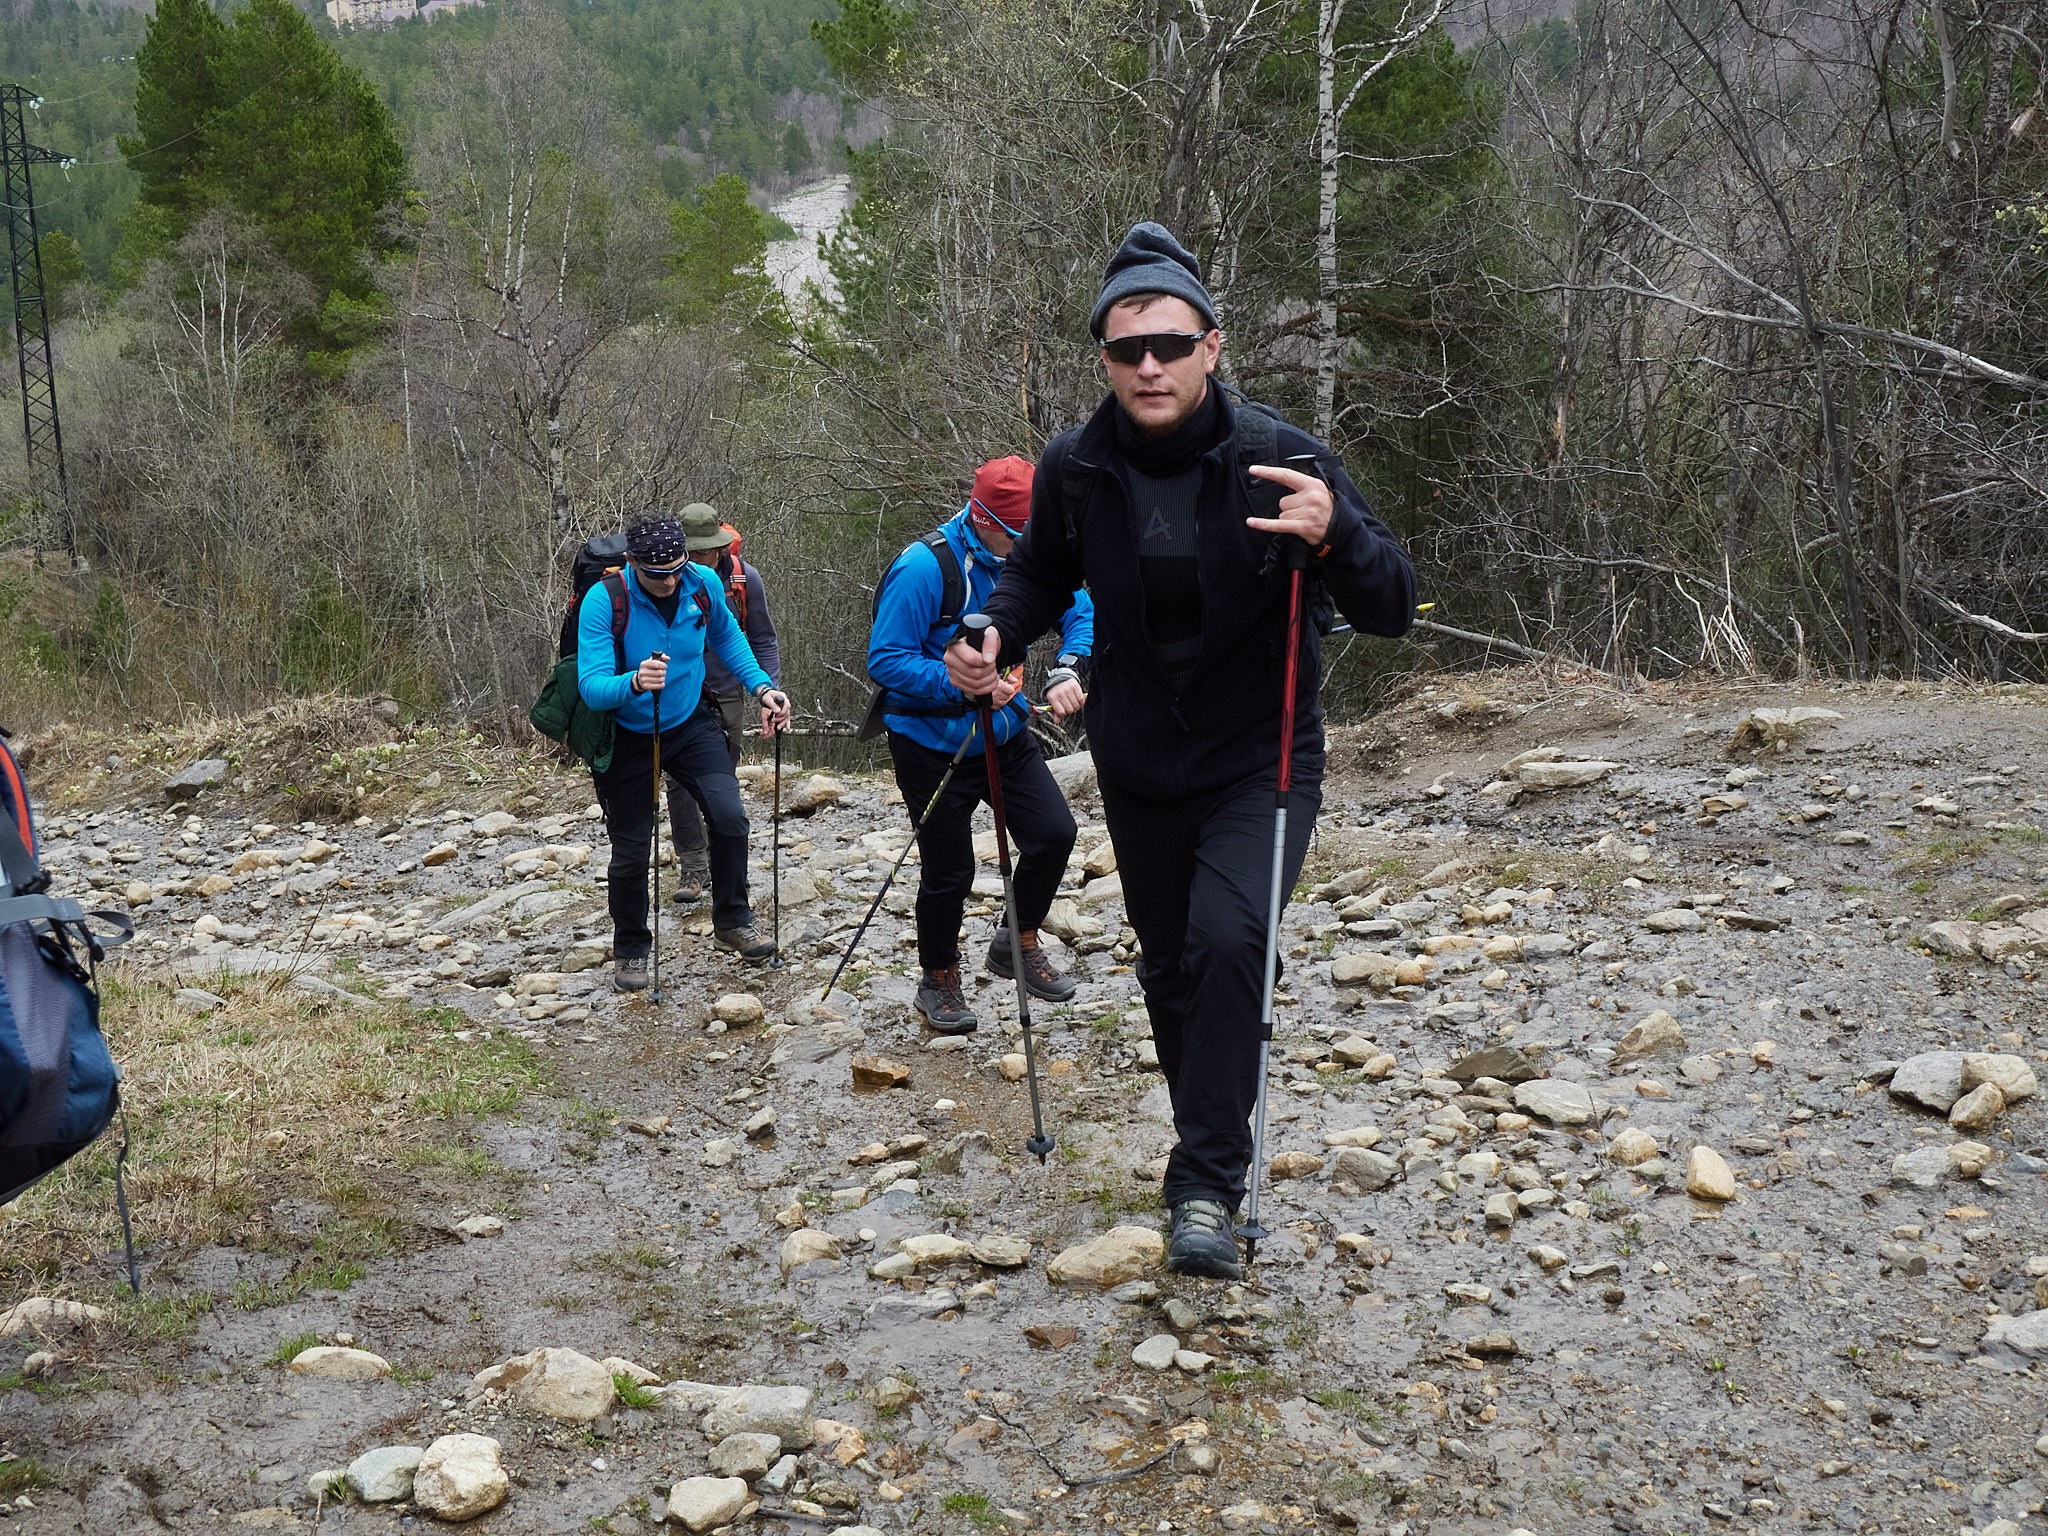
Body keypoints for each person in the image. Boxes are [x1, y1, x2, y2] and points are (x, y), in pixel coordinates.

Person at [945, 224, 1416, 1277]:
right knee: (1170, 969)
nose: (1146, 366)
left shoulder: (1283, 460)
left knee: (1226, 943)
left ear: (1211, 346)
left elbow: (1390, 605)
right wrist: (991, 634)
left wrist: (1335, 532)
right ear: (1104, 360)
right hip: (1139, 760)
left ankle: (1201, 1184)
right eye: (1124, 350)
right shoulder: (1074, 468)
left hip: (1263, 757)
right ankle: (1208, 1134)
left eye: (1168, 343)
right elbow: (1034, 578)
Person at [868, 455, 1094, 1035]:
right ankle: (937, 979)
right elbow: (886, 659)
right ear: (982, 516)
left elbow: (1081, 611)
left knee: (1053, 834)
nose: (1027, 546)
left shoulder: (1036, 557)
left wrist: (1068, 668)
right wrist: (959, 682)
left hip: (1006, 732)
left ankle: (1015, 941)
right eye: (1019, 535)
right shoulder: (925, 567)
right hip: (927, 742)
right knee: (950, 870)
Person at [578, 515, 794, 987]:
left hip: (689, 720)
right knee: (632, 850)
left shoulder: (701, 584)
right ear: (633, 564)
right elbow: (591, 686)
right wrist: (632, 681)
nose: (671, 579)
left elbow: (727, 637)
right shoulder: (604, 600)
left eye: (677, 568)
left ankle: (732, 921)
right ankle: (631, 948)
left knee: (730, 816)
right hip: (627, 732)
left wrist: (762, 688)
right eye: (658, 574)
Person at [668, 502, 780, 906]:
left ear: (720, 546)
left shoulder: (742, 579)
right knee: (680, 782)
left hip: (729, 689)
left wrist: (769, 690)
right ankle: (694, 865)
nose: (700, 559)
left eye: (706, 551)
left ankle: (725, 866)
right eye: (692, 551)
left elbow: (761, 638)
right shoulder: (666, 580)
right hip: (681, 694)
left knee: (721, 782)